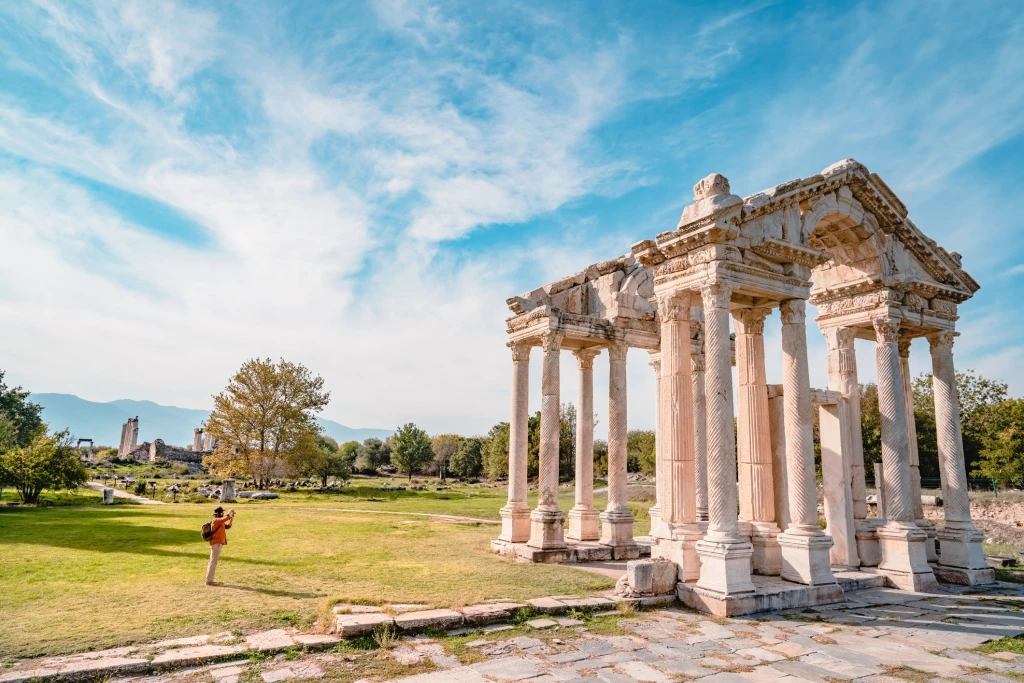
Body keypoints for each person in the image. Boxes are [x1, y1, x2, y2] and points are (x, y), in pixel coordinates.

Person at [206, 506, 235, 586]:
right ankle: (209, 581)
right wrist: (230, 511)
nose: (223, 513)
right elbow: (226, 518)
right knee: (213, 563)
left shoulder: (220, 521)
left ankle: (209, 580)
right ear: (219, 513)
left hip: (218, 544)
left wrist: (231, 519)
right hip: (216, 544)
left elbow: (228, 526)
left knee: (213, 562)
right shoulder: (216, 520)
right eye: (222, 512)